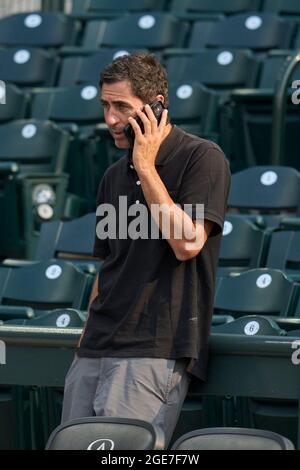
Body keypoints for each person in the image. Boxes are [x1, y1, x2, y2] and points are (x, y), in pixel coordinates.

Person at [61, 52, 231, 447]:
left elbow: (187, 243)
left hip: (152, 350)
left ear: (156, 105)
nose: (111, 120)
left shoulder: (202, 158)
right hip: (94, 349)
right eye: (105, 105)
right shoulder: (112, 175)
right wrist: (86, 338)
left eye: (122, 107)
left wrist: (146, 165)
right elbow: (109, 264)